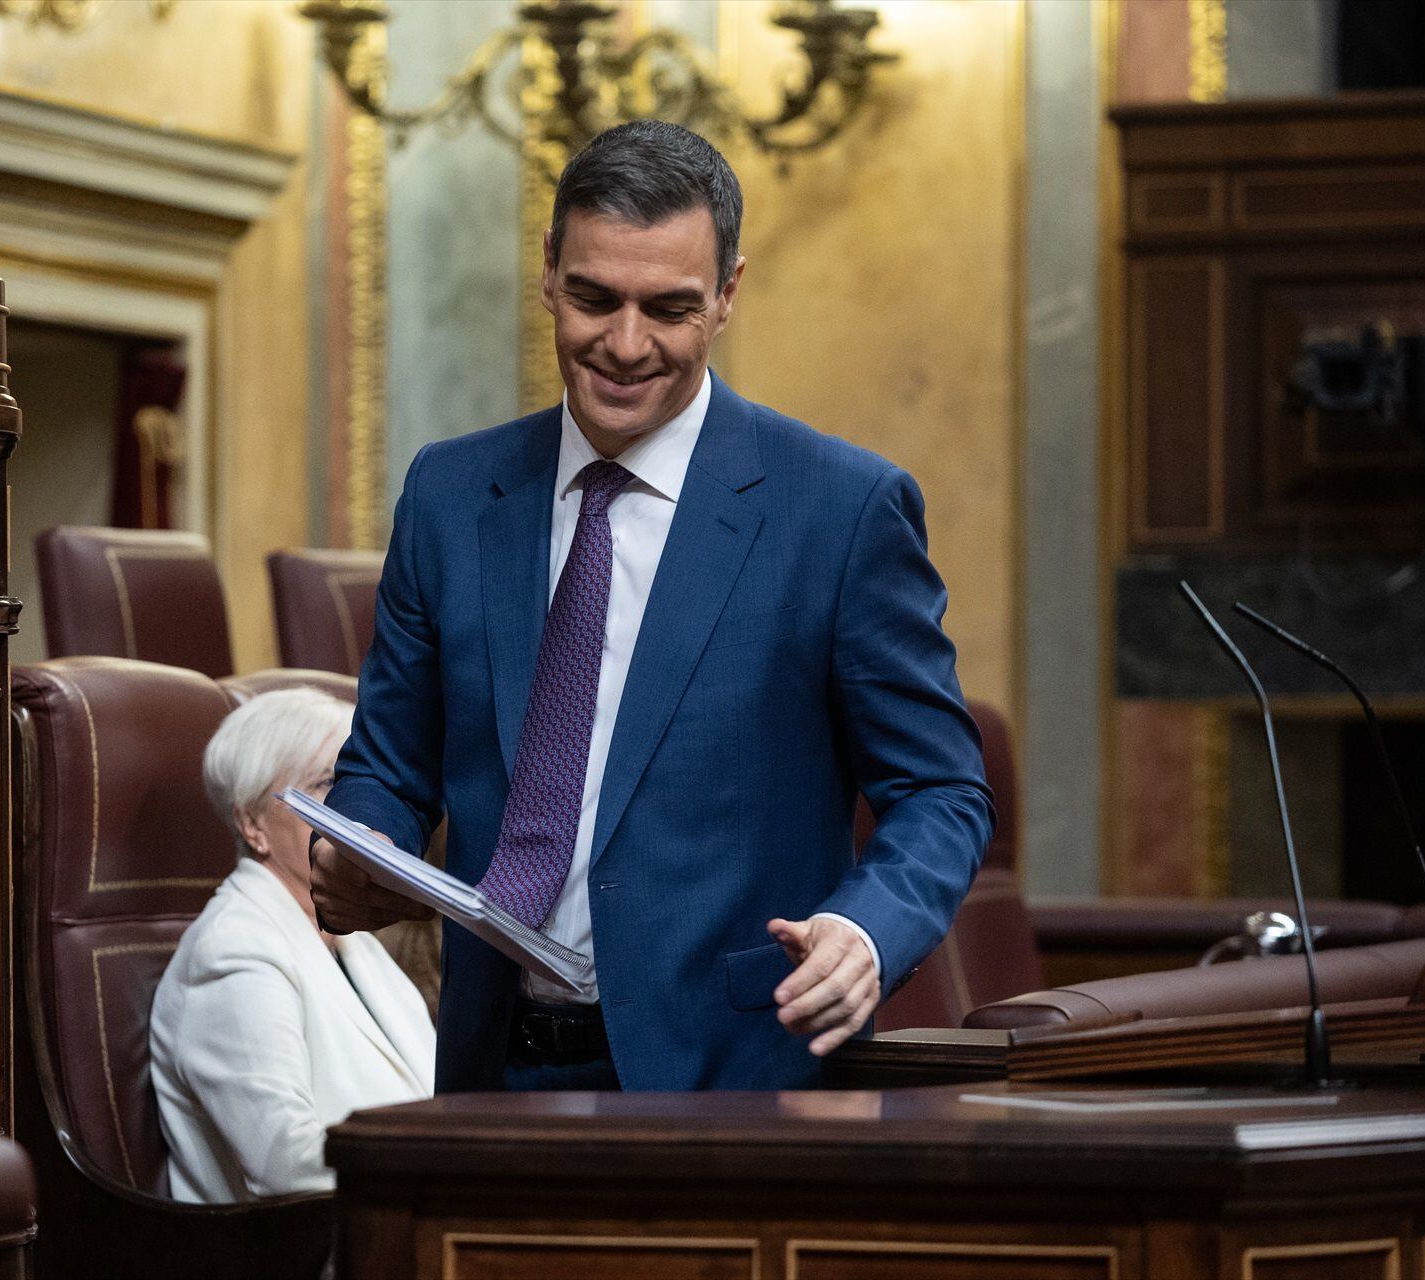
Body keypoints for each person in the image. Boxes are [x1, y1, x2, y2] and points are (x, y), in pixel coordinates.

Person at [313, 121, 993, 1092]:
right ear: (548, 271)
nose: (625, 345)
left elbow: (940, 791)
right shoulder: (449, 496)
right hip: (487, 1076)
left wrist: (869, 929)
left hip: (734, 1086)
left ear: (727, 295)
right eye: (595, 297)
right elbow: (387, 767)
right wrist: (360, 842)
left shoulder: (840, 511)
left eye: (668, 307)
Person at [150, 688, 434, 1203]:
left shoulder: (352, 942)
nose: (358, 814)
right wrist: (452, 1176)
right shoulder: (233, 949)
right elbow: (284, 1160)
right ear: (252, 823)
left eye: (360, 786)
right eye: (330, 785)